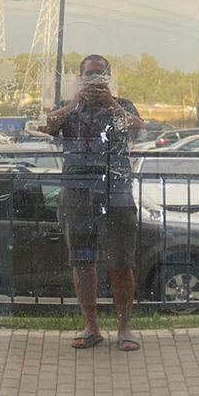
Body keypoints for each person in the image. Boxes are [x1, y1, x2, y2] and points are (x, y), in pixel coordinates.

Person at [43, 55, 143, 351]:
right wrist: (74, 103)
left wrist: (110, 104)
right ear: (80, 78)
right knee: (82, 262)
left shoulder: (122, 105)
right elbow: (48, 126)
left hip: (116, 192)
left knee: (121, 262)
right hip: (77, 192)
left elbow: (138, 129)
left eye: (100, 75)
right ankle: (91, 328)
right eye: (89, 75)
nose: (94, 80)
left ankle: (124, 329)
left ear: (108, 79)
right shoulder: (69, 107)